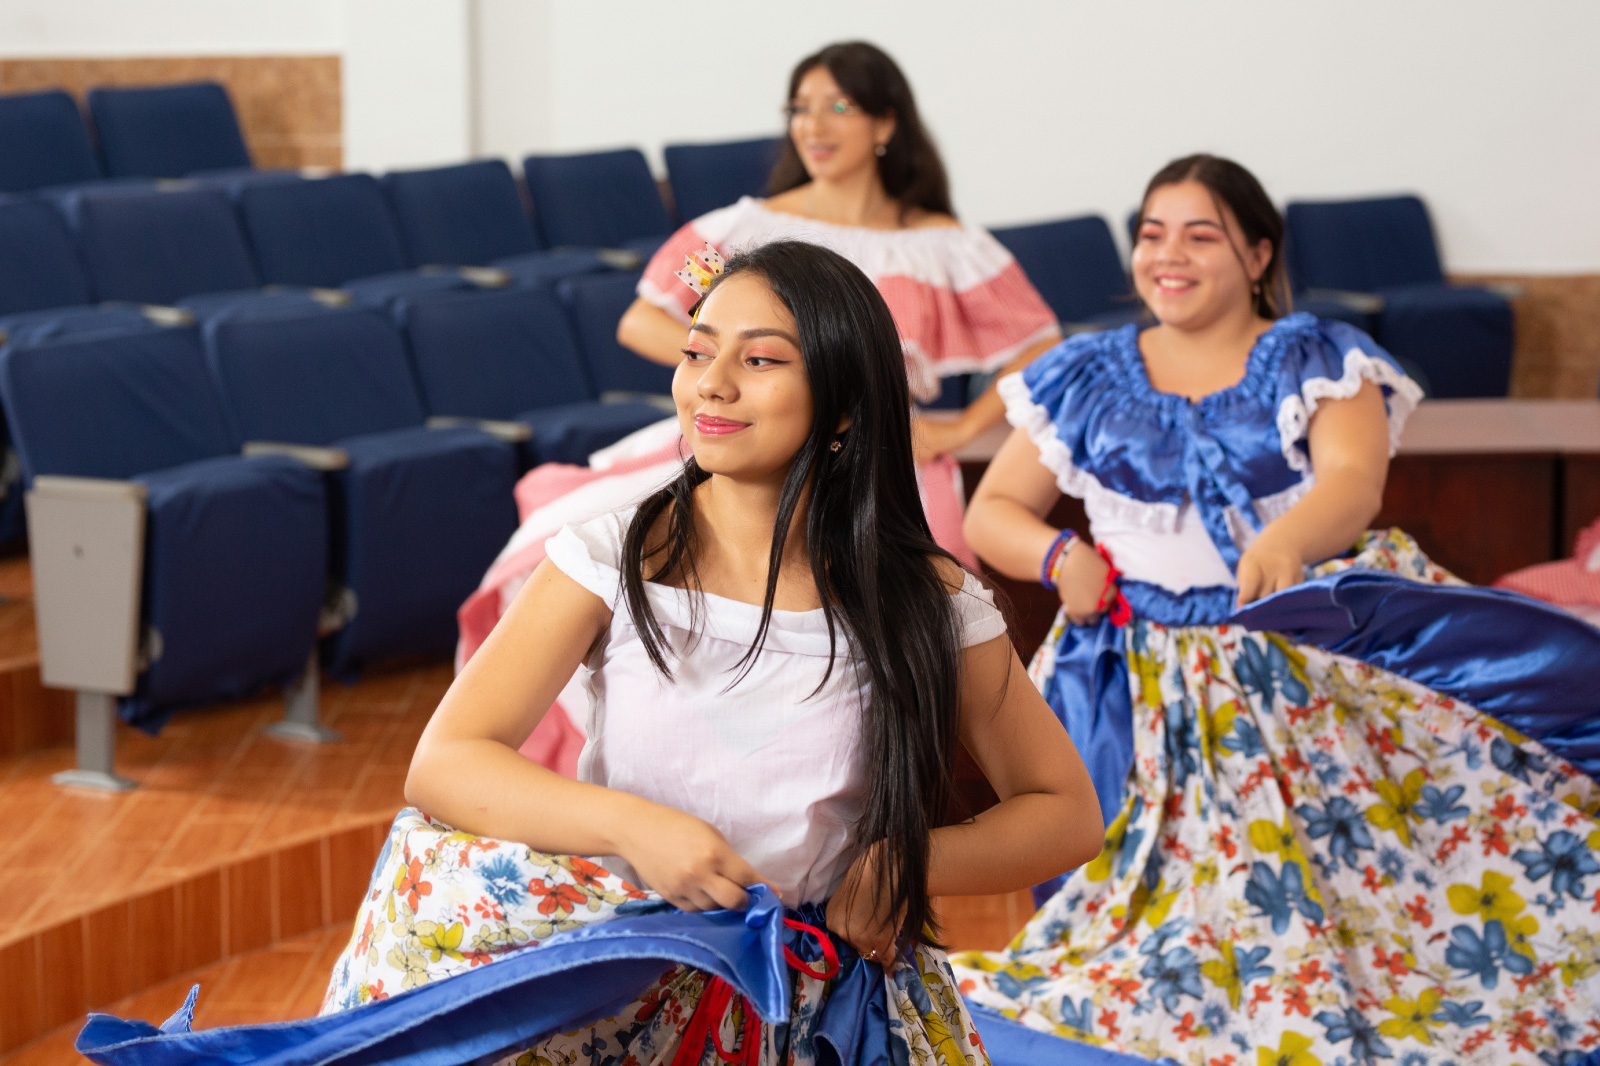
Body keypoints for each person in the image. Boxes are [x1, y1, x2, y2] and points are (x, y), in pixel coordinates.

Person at [949, 155, 1600, 1062]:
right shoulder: (1083, 372)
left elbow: (1353, 480)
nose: (1168, 255)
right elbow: (994, 512)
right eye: (1151, 234)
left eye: (1200, 235)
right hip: (1130, 668)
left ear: (1258, 253)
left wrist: (1288, 539)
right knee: (1117, 891)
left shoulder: (1314, 356)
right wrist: (1060, 555)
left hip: (1282, 648)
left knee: (1326, 886)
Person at [457, 40, 1061, 777]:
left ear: (886, 124)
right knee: (569, 538)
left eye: (837, 106)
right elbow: (644, 316)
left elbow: (1040, 343)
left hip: (878, 449)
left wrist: (960, 429)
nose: (814, 124)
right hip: (750, 437)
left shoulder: (940, 245)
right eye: (800, 108)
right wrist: (742, 361)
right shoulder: (748, 231)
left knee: (912, 603)